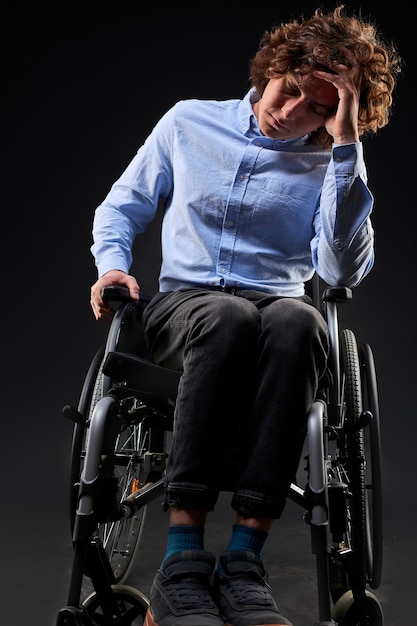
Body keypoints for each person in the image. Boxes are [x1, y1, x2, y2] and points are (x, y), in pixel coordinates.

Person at [90, 5, 401, 626]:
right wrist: (112, 265)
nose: (291, 114)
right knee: (227, 315)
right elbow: (123, 205)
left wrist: (345, 147)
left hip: (276, 312)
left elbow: (339, 273)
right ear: (274, 69)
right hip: (187, 310)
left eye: (318, 108)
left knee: (300, 321)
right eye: (290, 91)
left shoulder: (329, 165)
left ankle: (242, 562)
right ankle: (181, 564)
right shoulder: (189, 123)